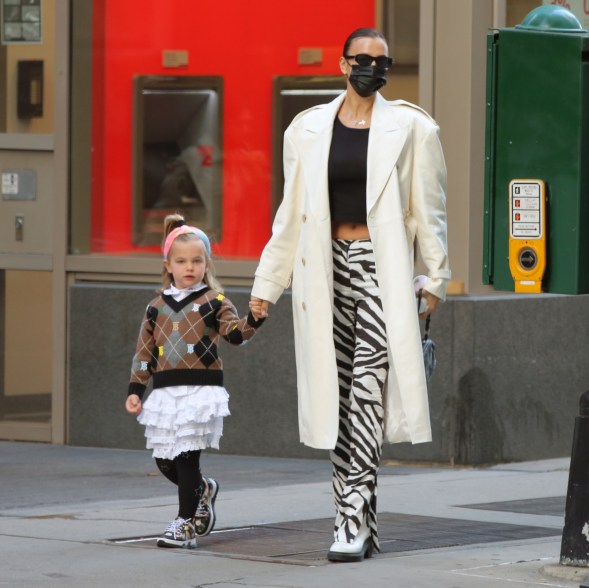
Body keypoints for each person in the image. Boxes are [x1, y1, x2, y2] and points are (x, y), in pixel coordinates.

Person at [249, 27, 450, 562]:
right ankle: (358, 519)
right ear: (343, 64)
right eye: (361, 59)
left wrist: (434, 278)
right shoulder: (308, 128)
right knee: (338, 398)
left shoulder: (412, 128)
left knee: (366, 393)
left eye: (381, 62)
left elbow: (430, 213)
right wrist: (267, 285)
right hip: (323, 273)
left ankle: (350, 520)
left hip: (381, 271)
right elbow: (290, 214)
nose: (371, 69)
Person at [126, 214, 265, 549]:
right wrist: (135, 388)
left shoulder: (215, 302)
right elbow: (144, 351)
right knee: (164, 459)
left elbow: (234, 335)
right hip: (164, 391)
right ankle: (202, 489)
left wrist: (255, 318)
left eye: (197, 261)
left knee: (187, 456)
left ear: (207, 263)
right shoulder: (155, 307)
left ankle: (185, 523)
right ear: (168, 264)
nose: (189, 267)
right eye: (181, 261)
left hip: (200, 390)